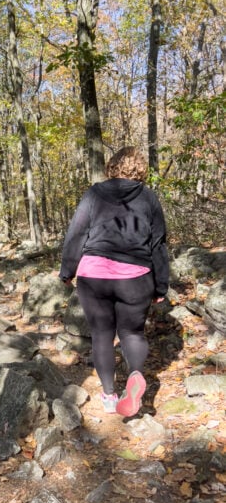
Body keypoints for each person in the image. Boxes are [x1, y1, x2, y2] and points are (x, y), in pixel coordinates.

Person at [59, 147, 169, 416]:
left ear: (112, 166)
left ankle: (109, 395)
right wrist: (161, 284)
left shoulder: (94, 193)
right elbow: (158, 244)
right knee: (132, 333)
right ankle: (135, 375)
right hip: (136, 277)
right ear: (140, 168)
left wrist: (67, 271)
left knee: (101, 336)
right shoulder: (148, 198)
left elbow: (77, 233)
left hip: (94, 275)